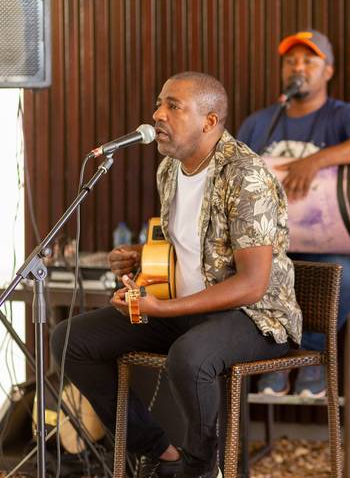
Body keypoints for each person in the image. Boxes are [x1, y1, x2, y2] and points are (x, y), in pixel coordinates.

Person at [51, 72, 301, 478]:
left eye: (173, 106)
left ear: (209, 121)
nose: (157, 115)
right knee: (70, 340)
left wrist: (163, 310)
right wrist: (139, 256)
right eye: (159, 104)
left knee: (190, 357)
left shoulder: (245, 175)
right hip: (184, 309)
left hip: (255, 317)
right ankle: (159, 453)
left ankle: (202, 467)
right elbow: (186, 245)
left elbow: (252, 284)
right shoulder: (169, 169)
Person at [238, 29, 350, 398]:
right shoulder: (262, 122)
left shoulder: (342, 116)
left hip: (328, 244)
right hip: (272, 243)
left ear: (328, 71)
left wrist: (316, 161)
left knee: (345, 273)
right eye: (291, 61)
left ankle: (310, 356)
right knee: (244, 271)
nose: (298, 67)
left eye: (309, 61)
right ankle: (276, 355)